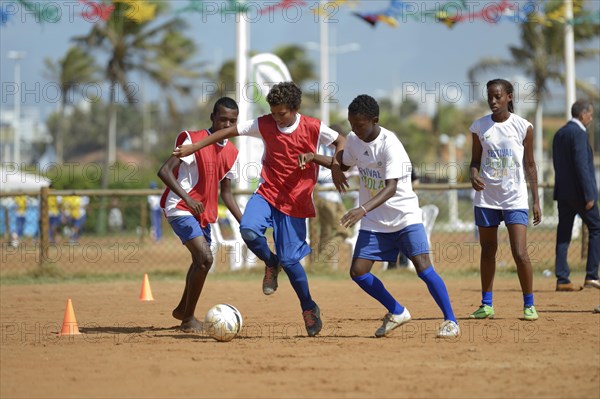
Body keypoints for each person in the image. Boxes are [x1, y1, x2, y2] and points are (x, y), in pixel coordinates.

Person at [173, 82, 347, 337]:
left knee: (291, 260)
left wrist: (336, 164)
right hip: (268, 192)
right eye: (273, 112)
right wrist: (193, 147)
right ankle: (270, 262)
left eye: (282, 113)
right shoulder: (263, 123)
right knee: (249, 230)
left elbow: (341, 140)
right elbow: (226, 133)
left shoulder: (313, 126)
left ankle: (308, 307)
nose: (276, 118)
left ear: (295, 108)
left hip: (296, 201)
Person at [298, 94, 460, 338]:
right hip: (375, 221)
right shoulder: (353, 139)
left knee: (424, 268)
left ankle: (451, 320)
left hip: (404, 216)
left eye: (360, 125)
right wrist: (315, 158)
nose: (355, 130)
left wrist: (362, 209)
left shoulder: (390, 145)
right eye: (352, 125)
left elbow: (391, 187)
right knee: (358, 272)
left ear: (374, 120)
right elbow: (341, 163)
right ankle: (397, 311)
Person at [158, 97, 243, 333]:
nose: (227, 124)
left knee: (200, 261)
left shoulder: (233, 153)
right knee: (205, 259)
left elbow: (226, 193)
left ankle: (182, 309)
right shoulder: (191, 139)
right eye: (223, 119)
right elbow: (164, 171)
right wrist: (187, 197)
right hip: (180, 207)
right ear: (212, 118)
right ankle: (188, 320)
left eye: (232, 121)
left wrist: (244, 223)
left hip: (203, 214)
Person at [468, 78, 541, 321]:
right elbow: (475, 162)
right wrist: (473, 175)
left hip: (514, 199)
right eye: (490, 96)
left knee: (520, 252)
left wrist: (536, 201)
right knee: (488, 250)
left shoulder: (523, 127)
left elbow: (530, 165)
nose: (493, 101)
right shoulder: (480, 127)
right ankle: (486, 304)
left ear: (509, 96)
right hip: (486, 198)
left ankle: (529, 304)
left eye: (498, 96)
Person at [552, 100, 599, 292]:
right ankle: (592, 275)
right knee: (596, 228)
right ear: (582, 114)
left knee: (563, 234)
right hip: (580, 194)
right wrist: (589, 193)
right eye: (590, 114)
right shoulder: (578, 133)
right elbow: (581, 165)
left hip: (563, 193)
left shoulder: (560, 133)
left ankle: (562, 278)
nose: (591, 118)